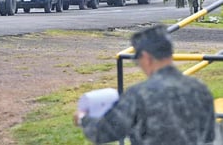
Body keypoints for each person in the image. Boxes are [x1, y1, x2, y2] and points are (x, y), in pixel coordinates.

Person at [74, 25, 215, 145]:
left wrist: (82, 118)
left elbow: (103, 132)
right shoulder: (200, 89)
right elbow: (210, 136)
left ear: (146, 58)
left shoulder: (139, 94)